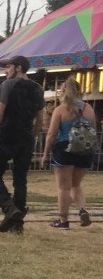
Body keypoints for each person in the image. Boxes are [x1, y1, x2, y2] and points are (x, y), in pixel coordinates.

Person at [0, 55, 44, 233]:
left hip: (7, 134)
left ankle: (9, 207)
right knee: (20, 180)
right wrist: (31, 136)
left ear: (19, 68)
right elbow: (40, 119)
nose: (6, 70)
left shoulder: (8, 85)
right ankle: (17, 224)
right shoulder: (38, 89)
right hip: (25, 137)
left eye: (8, 67)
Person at [40, 77, 95, 229]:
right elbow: (93, 129)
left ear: (63, 91)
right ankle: (82, 210)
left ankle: (63, 220)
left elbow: (51, 135)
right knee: (76, 185)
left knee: (64, 187)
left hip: (65, 148)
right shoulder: (88, 109)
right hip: (85, 149)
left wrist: (45, 154)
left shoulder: (60, 110)